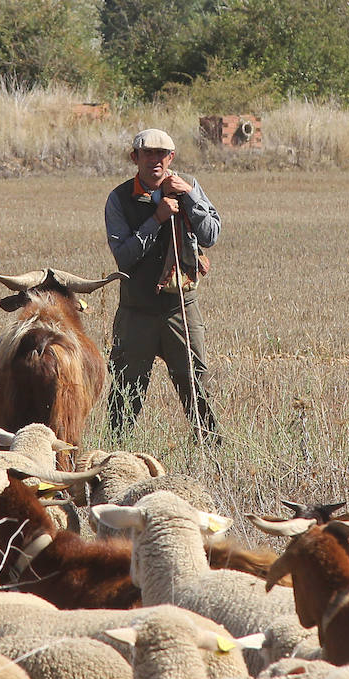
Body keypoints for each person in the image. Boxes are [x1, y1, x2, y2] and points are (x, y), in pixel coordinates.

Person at [103, 128, 221, 443]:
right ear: (135, 158)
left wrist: (191, 197)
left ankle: (210, 452)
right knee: (125, 392)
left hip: (180, 309)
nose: (155, 160)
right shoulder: (119, 199)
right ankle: (118, 454)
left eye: (161, 154)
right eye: (148, 154)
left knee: (196, 385)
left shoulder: (190, 188)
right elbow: (123, 257)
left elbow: (210, 234)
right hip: (135, 312)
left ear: (171, 158)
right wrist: (156, 219)